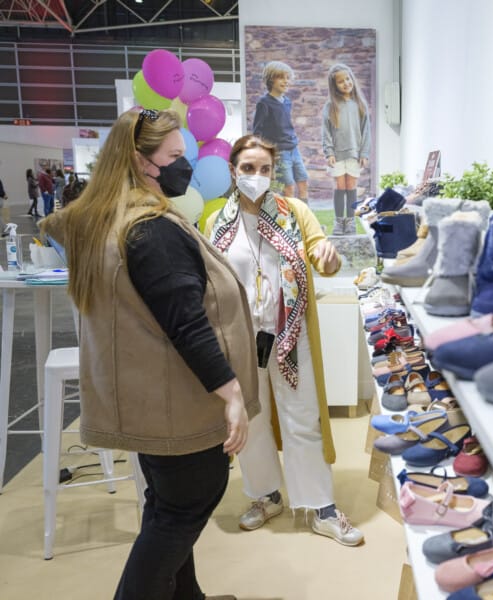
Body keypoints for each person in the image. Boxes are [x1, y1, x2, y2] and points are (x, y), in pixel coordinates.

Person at [40, 108, 259, 600]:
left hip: (153, 404)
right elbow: (187, 324)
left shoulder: (110, 221)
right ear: (143, 162)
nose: (187, 165)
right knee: (183, 510)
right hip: (178, 406)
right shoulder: (151, 231)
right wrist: (231, 395)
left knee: (166, 506)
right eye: (176, 155)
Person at [206, 134, 365, 547]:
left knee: (303, 417)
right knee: (251, 418)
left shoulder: (294, 212)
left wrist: (329, 255)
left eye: (265, 169)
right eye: (248, 168)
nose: (257, 176)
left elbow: (321, 254)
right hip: (241, 339)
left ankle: (321, 506)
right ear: (233, 171)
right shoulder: (217, 222)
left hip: (290, 334)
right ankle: (266, 496)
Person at [322, 63, 371, 236]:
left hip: (354, 154)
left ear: (352, 79)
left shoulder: (360, 104)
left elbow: (366, 131)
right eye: (340, 81)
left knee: (351, 187)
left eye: (347, 79)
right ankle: (338, 222)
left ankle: (350, 222)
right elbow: (326, 131)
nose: (346, 83)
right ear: (334, 85)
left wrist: (364, 153)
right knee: (339, 187)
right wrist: (329, 152)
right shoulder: (330, 106)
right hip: (336, 155)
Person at [252, 61, 309, 202]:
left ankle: (304, 215)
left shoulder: (287, 102)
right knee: (289, 188)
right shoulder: (264, 103)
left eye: (287, 78)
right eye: (281, 77)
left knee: (303, 182)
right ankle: (289, 216)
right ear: (271, 79)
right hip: (280, 152)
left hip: (294, 150)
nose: (286, 81)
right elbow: (257, 132)